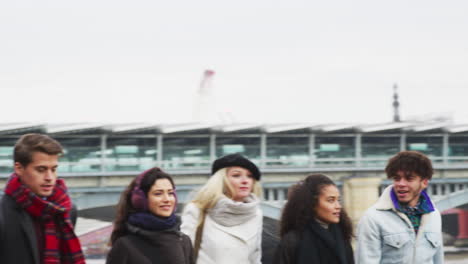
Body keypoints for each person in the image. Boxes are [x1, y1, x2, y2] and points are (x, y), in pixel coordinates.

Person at [0, 133, 85, 264]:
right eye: (41, 169)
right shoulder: (3, 213)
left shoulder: (66, 210)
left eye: (53, 169)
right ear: (19, 168)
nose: (49, 177)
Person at [355, 151, 444, 264]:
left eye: (409, 178)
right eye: (397, 178)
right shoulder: (373, 218)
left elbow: (438, 259)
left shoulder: (434, 215)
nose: (401, 184)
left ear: (424, 182)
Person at [181, 153, 263, 264]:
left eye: (249, 176)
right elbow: (184, 255)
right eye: (236, 175)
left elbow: (255, 259)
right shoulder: (197, 210)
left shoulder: (256, 214)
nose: (245, 181)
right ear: (221, 180)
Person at [107, 167, 193, 264]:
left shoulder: (183, 242)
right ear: (141, 199)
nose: (167, 199)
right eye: (158, 194)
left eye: (170, 193)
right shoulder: (124, 246)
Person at [273, 174, 354, 264]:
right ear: (312, 204)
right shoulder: (292, 241)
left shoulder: (342, 238)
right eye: (330, 200)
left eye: (338, 200)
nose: (338, 206)